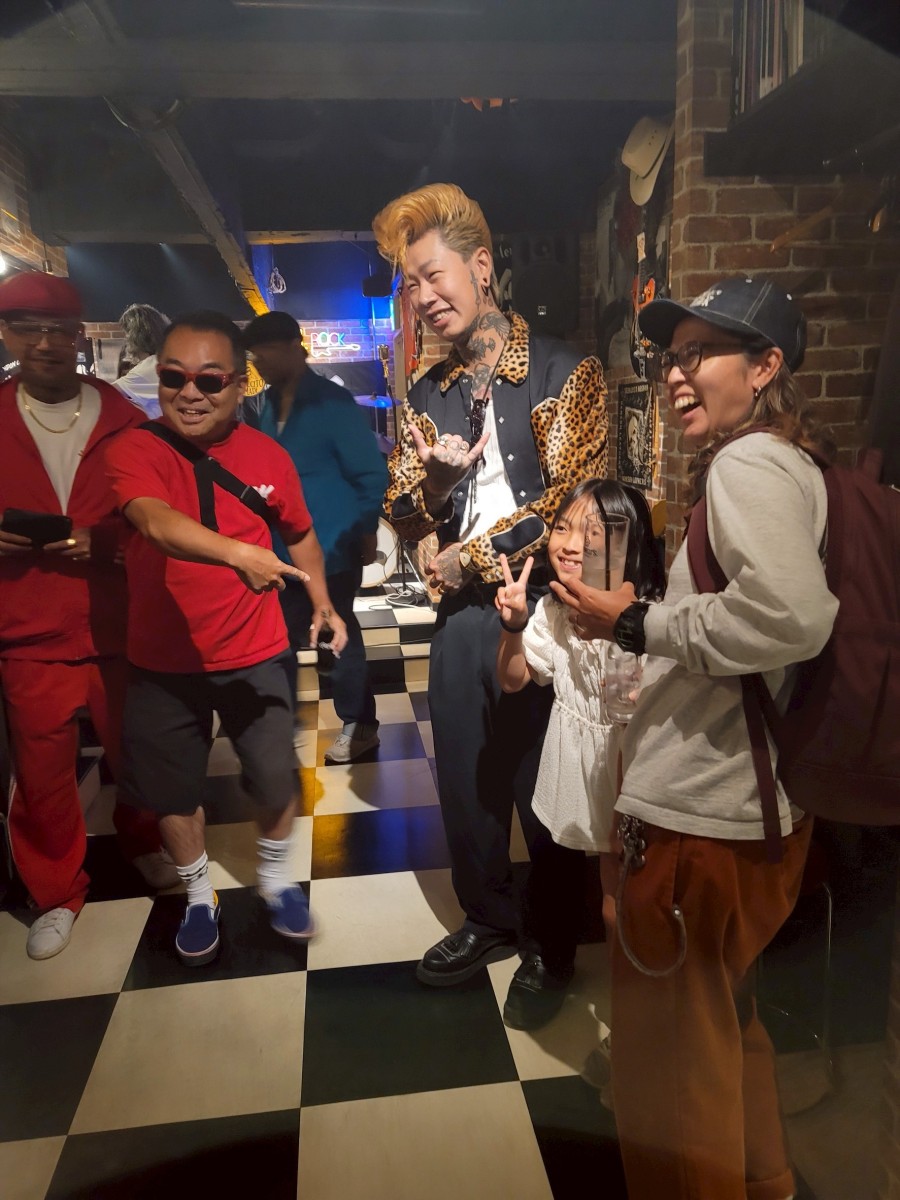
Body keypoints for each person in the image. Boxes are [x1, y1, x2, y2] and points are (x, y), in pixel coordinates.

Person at [553, 277, 838, 1200]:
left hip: (702, 821)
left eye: (703, 353)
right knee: (721, 1032)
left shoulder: (747, 465)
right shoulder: (789, 462)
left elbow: (792, 617)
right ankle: (766, 1182)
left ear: (765, 367)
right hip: (747, 811)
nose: (678, 373)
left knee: (671, 1072)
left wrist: (637, 621)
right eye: (672, 357)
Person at [372, 183, 609, 1012]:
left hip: (547, 609)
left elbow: (568, 504)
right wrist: (434, 489)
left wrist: (461, 557)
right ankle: (487, 916)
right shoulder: (425, 391)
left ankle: (553, 941)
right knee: (467, 780)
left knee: (545, 784)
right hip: (460, 620)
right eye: (411, 284)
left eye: (434, 275)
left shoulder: (564, 371)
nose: (425, 297)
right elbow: (402, 510)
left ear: (481, 267)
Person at [105, 310, 347, 967]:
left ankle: (275, 880)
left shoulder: (268, 457)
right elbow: (153, 521)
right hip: (162, 659)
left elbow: (299, 531)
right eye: (174, 377)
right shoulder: (134, 450)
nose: (190, 392)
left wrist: (323, 602)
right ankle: (197, 895)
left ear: (240, 385)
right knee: (173, 792)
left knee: (274, 777)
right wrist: (236, 553)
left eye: (210, 380)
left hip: (257, 650)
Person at [0, 271, 174, 961]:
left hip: (119, 622)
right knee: (42, 774)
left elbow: (162, 521)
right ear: (6, 334)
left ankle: (146, 841)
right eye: (27, 328)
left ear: (80, 336)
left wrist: (107, 542)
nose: (44, 343)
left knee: (140, 752)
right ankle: (54, 891)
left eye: (59, 330)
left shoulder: (125, 419)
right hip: (26, 627)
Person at [494, 479, 665, 1030]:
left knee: (628, 894)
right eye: (563, 527)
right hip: (574, 756)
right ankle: (562, 967)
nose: (569, 544)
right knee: (565, 867)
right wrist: (513, 626)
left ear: (628, 542)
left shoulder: (653, 613)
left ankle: (637, 1010)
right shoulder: (554, 607)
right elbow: (514, 678)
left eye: (592, 534)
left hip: (631, 769)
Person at [241, 311, 388, 762]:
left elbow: (370, 472)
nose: (259, 362)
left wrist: (365, 530)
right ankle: (278, 727)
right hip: (280, 548)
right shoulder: (266, 404)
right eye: (254, 355)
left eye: (266, 352)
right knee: (277, 639)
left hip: (332, 544)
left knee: (337, 635)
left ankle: (360, 725)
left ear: (294, 347)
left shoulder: (332, 402)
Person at [113, 302, 170, 418]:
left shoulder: (149, 367)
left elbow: (104, 392)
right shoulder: (167, 360)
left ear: (135, 337)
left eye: (126, 334)